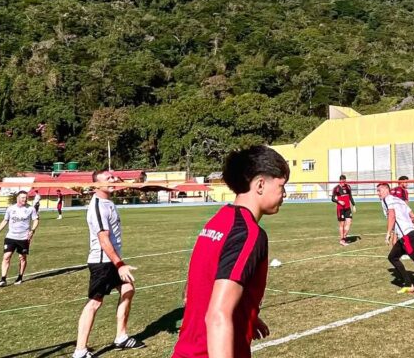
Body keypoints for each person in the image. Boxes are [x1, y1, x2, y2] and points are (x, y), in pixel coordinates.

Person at [172, 146, 289, 358]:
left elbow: (195, 290)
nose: (284, 194)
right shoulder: (248, 233)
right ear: (260, 184)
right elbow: (217, 315)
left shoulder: (218, 221)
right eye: (281, 186)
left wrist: (246, 314)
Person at [72, 171, 145, 358]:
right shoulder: (97, 207)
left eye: (113, 177)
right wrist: (119, 264)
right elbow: (103, 240)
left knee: (128, 289)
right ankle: (80, 351)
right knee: (94, 303)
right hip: (103, 262)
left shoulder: (108, 201)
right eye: (108, 178)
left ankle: (121, 337)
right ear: (97, 185)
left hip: (112, 260)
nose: (113, 180)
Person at [0, 190, 39, 287]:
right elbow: (5, 221)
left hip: (24, 238)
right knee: (6, 257)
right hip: (11, 237)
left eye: (26, 197)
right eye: (23, 197)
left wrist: (32, 230)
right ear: (18, 198)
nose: (25, 199)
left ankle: (20, 277)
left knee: (22, 257)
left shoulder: (31, 209)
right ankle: (3, 279)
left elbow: (36, 220)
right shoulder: (10, 209)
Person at [331, 175, 355, 246]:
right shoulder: (336, 188)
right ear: (340, 181)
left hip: (348, 208)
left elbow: (350, 196)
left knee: (349, 222)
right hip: (340, 209)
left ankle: (344, 238)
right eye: (342, 181)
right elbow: (332, 199)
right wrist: (339, 201)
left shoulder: (348, 187)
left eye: (344, 181)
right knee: (342, 224)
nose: (343, 183)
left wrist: (353, 205)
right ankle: (342, 240)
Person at [388, 176, 410, 248]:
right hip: (401, 216)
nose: (407, 184)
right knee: (405, 233)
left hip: (392, 214)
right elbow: (406, 205)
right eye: (406, 182)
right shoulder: (404, 191)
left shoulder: (391, 190)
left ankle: (395, 251)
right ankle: (408, 250)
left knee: (395, 234)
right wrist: (409, 215)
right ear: (401, 182)